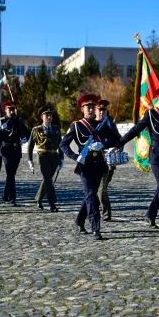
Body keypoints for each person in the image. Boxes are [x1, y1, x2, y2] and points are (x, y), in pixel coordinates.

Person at [119, 85, 159, 234]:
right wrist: (121, 142)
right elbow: (136, 129)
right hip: (157, 156)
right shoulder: (152, 114)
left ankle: (150, 213)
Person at [60, 94, 120, 240]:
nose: (92, 110)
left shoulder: (102, 124)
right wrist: (75, 156)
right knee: (92, 196)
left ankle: (80, 220)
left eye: (93, 107)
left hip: (99, 164)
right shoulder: (77, 125)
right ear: (82, 109)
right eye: (89, 107)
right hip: (85, 166)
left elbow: (116, 139)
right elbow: (63, 144)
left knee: (90, 195)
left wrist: (103, 144)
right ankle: (96, 228)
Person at [28, 104, 63, 212]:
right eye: (46, 115)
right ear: (42, 117)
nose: (49, 117)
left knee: (47, 180)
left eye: (50, 115)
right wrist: (30, 160)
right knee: (48, 180)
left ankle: (38, 198)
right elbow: (30, 145)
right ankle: (52, 204)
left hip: (54, 157)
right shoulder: (36, 130)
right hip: (43, 157)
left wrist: (61, 159)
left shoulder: (56, 128)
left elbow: (60, 144)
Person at [0, 101, 30, 205]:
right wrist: (1, 129)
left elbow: (27, 133)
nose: (12, 111)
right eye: (10, 109)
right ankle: (12, 198)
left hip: (16, 150)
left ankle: (5, 195)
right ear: (5, 110)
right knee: (10, 173)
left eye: (13, 109)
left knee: (12, 174)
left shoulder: (19, 121)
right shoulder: (2, 121)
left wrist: (25, 139)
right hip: (6, 150)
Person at [96, 99, 122, 222]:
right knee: (98, 188)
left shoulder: (110, 124)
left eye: (104, 110)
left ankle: (106, 213)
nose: (102, 112)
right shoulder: (92, 124)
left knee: (102, 187)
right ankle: (99, 209)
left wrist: (116, 149)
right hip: (95, 160)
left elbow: (119, 140)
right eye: (100, 110)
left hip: (108, 159)